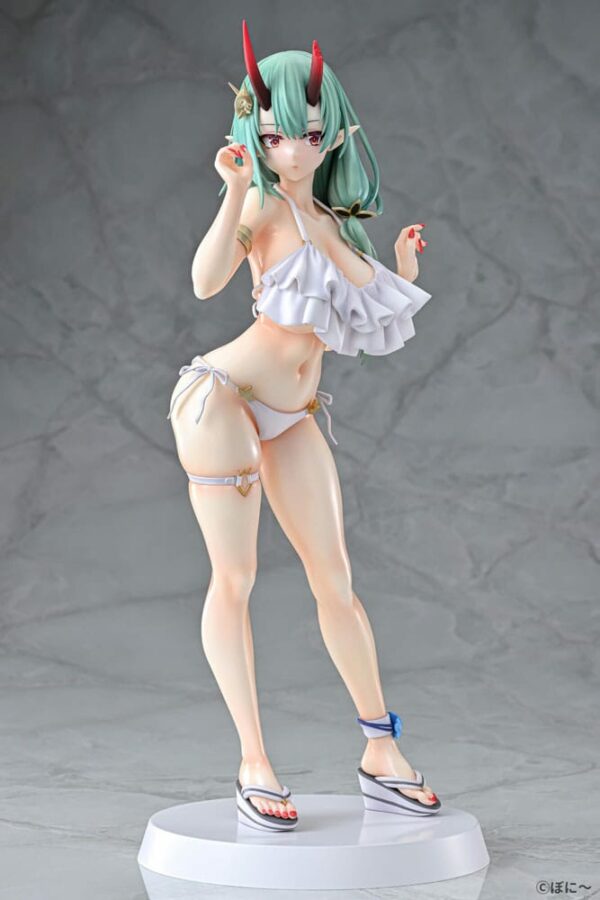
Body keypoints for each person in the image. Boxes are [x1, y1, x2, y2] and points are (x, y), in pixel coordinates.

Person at [167, 20, 439, 832]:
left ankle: (380, 749)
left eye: (310, 135)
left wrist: (402, 263)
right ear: (255, 134)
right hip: (221, 398)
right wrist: (232, 189)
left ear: (335, 133)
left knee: (335, 580)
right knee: (236, 579)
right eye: (277, 135)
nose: (293, 150)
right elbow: (205, 281)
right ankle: (253, 761)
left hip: (292, 415)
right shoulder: (260, 203)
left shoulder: (329, 214)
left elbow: (367, 293)